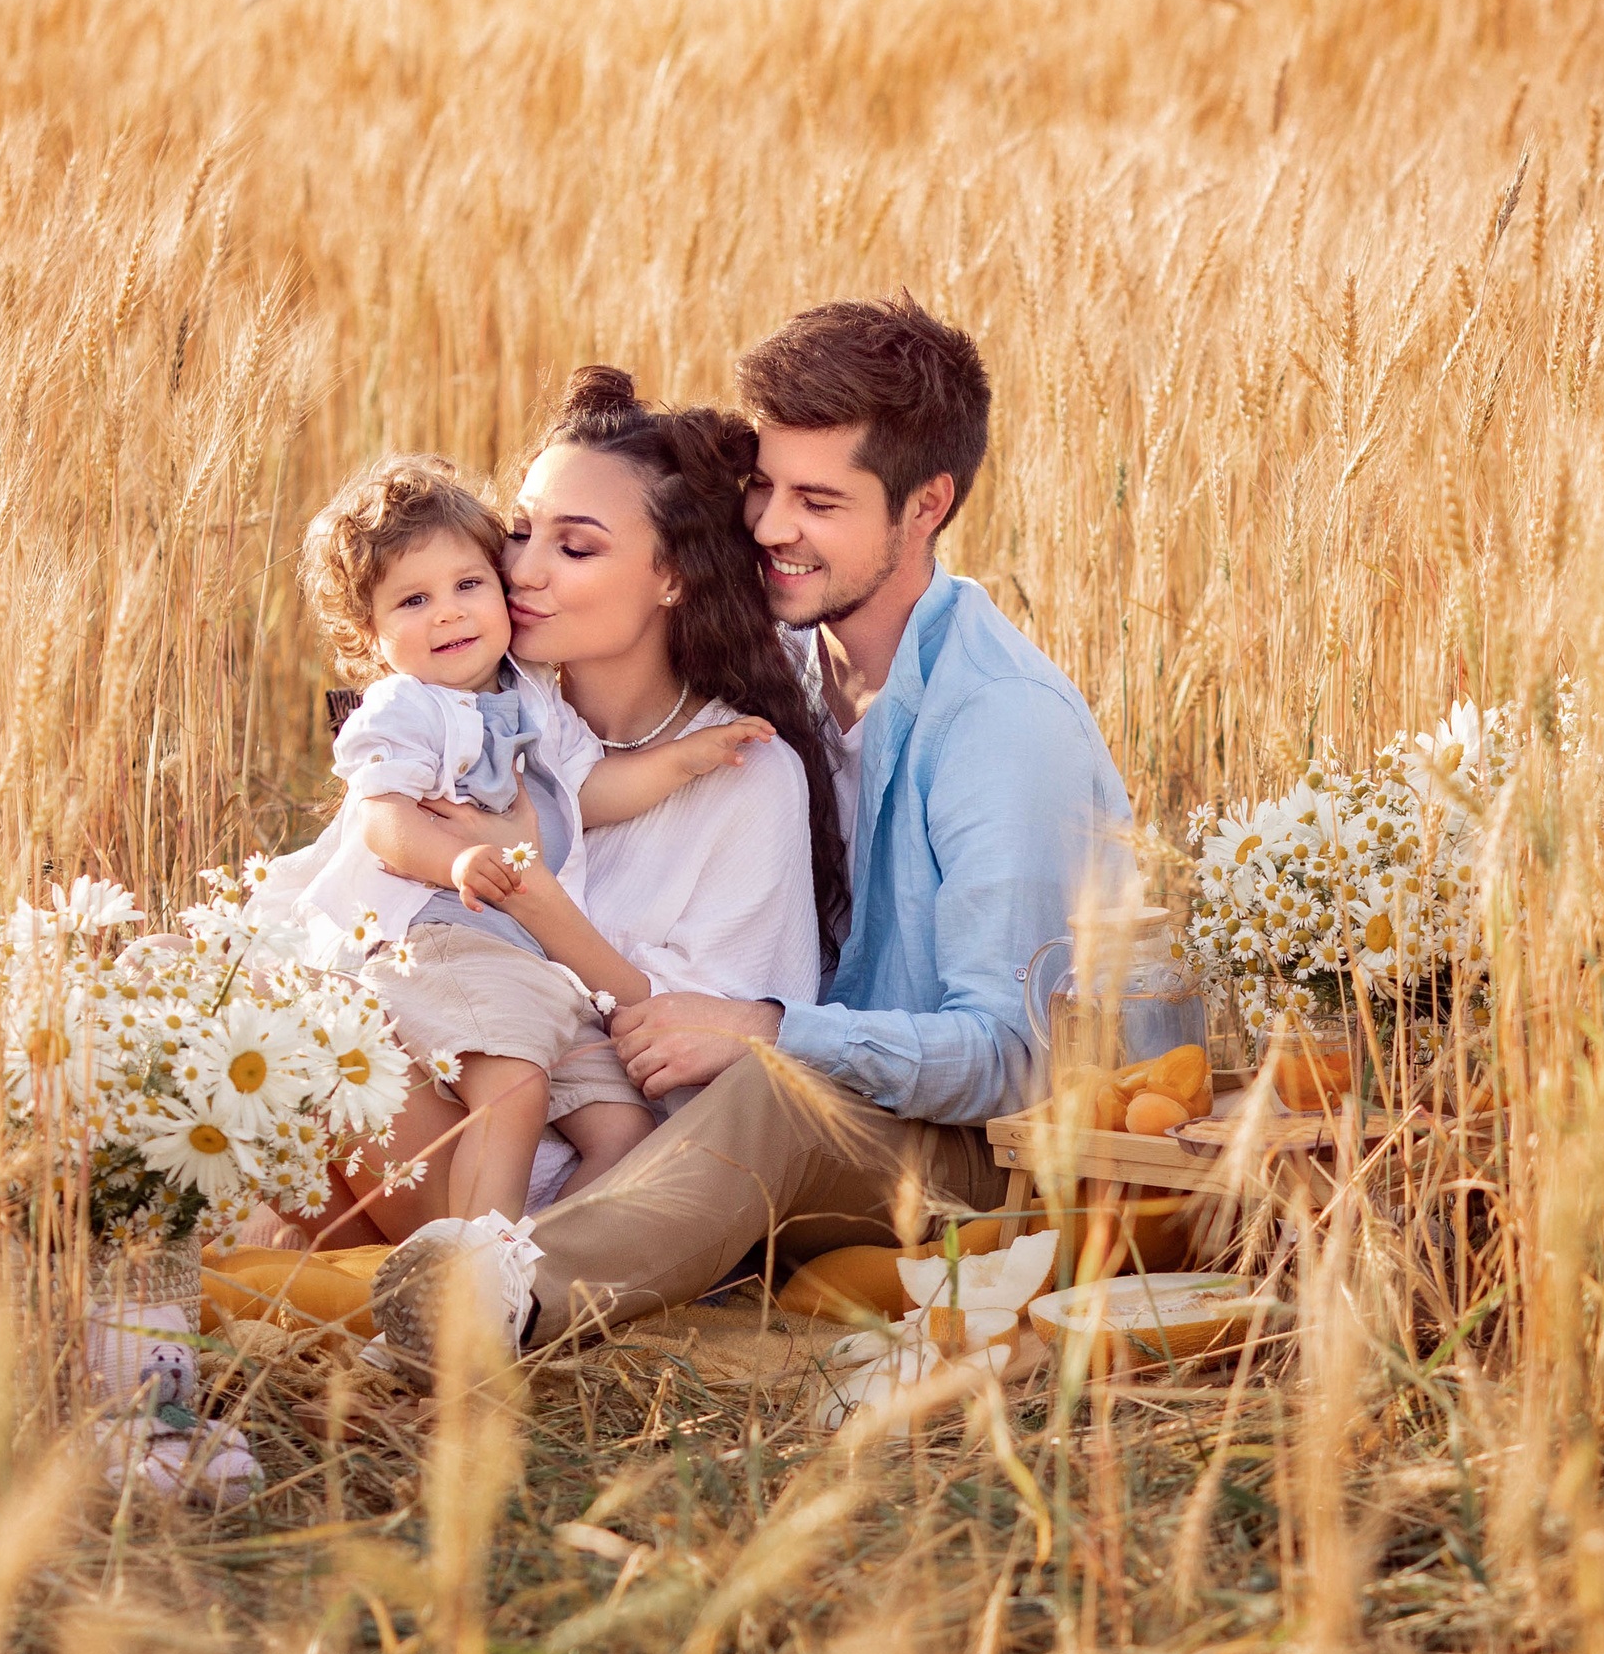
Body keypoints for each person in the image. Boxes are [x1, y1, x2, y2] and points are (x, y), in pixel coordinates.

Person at [370, 293, 1133, 1366]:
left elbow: (1015, 1061)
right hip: (845, 1119)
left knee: (768, 1099)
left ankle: (504, 1293)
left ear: (926, 506)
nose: (770, 525)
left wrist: (767, 1028)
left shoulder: (999, 723)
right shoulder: (806, 681)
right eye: (766, 485)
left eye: (818, 500)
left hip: (998, 1158)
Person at [314, 373, 848, 1251]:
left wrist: (535, 900)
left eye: (577, 547)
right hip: (428, 1085)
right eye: (520, 532)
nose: (519, 571)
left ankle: (485, 1284)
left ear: (672, 576)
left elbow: (709, 1090)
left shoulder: (748, 777)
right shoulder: (485, 709)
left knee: (283, 1025)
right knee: (201, 981)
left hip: (573, 1186)